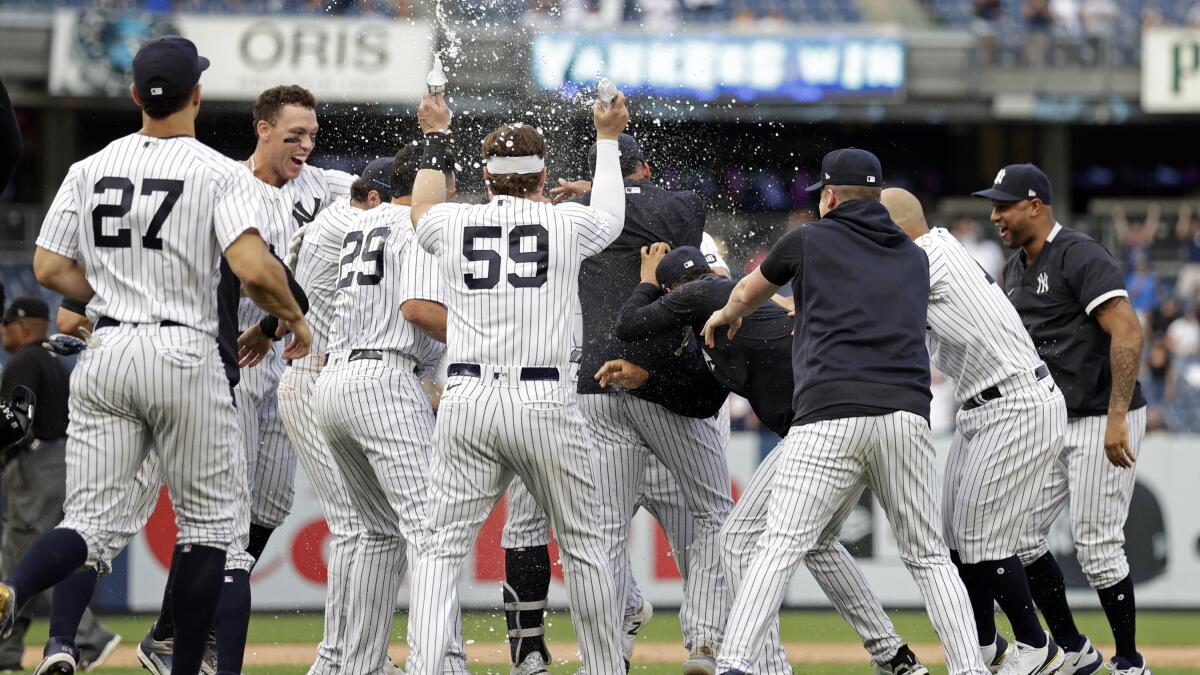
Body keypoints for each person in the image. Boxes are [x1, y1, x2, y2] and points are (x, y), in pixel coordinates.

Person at [0, 36, 311, 675]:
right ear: (196, 93)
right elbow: (254, 271)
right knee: (214, 536)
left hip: (108, 350)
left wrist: (111, 294)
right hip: (185, 351)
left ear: (137, 95)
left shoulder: (89, 165)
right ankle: (190, 664)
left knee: (86, 525)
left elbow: (49, 266)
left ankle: (12, 589)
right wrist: (293, 316)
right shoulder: (221, 171)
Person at [702, 148, 987, 675]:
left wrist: (724, 314)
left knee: (777, 547)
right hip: (905, 415)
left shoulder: (808, 238)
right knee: (928, 558)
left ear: (829, 196)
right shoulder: (914, 257)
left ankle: (736, 665)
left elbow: (748, 291)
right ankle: (969, 668)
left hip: (830, 413)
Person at [613, 244, 932, 675]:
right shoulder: (710, 330)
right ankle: (894, 655)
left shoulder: (701, 292)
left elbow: (629, 325)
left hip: (820, 427)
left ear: (674, 291)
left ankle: (769, 668)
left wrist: (647, 280)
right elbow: (700, 400)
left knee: (738, 538)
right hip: (843, 423)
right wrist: (649, 380)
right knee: (819, 543)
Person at [404, 91, 630, 675]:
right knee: (585, 545)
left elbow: (422, 210)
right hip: (544, 396)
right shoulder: (564, 221)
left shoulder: (454, 222)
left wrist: (435, 134)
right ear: (543, 175)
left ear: (484, 175)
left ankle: (429, 666)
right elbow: (611, 216)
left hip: (468, 396)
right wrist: (607, 138)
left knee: (437, 548)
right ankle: (607, 668)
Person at [502, 132, 732, 675]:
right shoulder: (677, 216)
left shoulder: (568, 223)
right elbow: (716, 283)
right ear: (645, 170)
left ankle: (600, 662)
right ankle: (705, 643)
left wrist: (592, 195)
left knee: (598, 538)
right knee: (713, 521)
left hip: (594, 387)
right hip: (664, 389)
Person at [883, 188, 1068, 675]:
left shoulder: (925, 257)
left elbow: (871, 308)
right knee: (956, 541)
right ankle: (984, 644)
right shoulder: (931, 249)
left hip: (1014, 401)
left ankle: (1036, 646)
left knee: (984, 540)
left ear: (894, 225)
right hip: (985, 404)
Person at [975, 163, 1148, 675]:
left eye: (1004, 205)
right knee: (1019, 536)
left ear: (1036, 205)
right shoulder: (1016, 269)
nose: (995, 215)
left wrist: (1118, 414)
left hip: (1101, 414)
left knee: (1097, 546)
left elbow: (1128, 333)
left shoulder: (1078, 253)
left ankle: (1130, 663)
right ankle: (1073, 647)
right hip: (1051, 418)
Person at [310, 146, 468, 675]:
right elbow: (419, 311)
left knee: (378, 533)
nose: (450, 192)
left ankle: (358, 666)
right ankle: (440, 665)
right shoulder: (419, 225)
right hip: (382, 378)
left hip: (335, 379)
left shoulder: (363, 221)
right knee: (433, 534)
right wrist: (483, 340)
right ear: (431, 183)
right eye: (446, 182)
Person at [273, 154, 392, 675]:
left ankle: (352, 654)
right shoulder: (353, 223)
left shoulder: (336, 218)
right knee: (352, 526)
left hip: (324, 377)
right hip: (314, 376)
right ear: (370, 196)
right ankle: (336, 658)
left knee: (363, 526)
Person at [0, 298, 119, 673]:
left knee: (35, 557)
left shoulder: (24, 361)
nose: (3, 332)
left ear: (23, 327)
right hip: (61, 458)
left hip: (38, 464)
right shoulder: (53, 360)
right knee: (17, 559)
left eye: (6, 325)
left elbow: (16, 422)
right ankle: (6, 652)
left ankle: (89, 636)